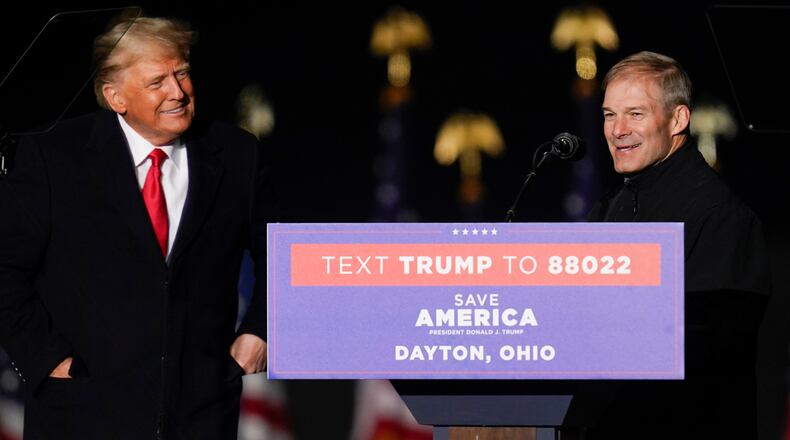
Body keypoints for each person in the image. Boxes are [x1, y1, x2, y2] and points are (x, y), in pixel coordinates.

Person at [0, 16, 271, 440]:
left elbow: (282, 251)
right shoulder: (54, 158)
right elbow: (5, 271)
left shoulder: (236, 154)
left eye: (181, 73)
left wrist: (261, 330)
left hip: (200, 415)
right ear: (115, 97)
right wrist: (46, 359)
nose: (178, 92)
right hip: (82, 414)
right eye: (157, 82)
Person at [587, 51, 771, 438]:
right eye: (609, 114)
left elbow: (715, 347)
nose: (617, 129)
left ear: (678, 119)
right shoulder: (611, 207)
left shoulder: (721, 216)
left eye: (635, 114)